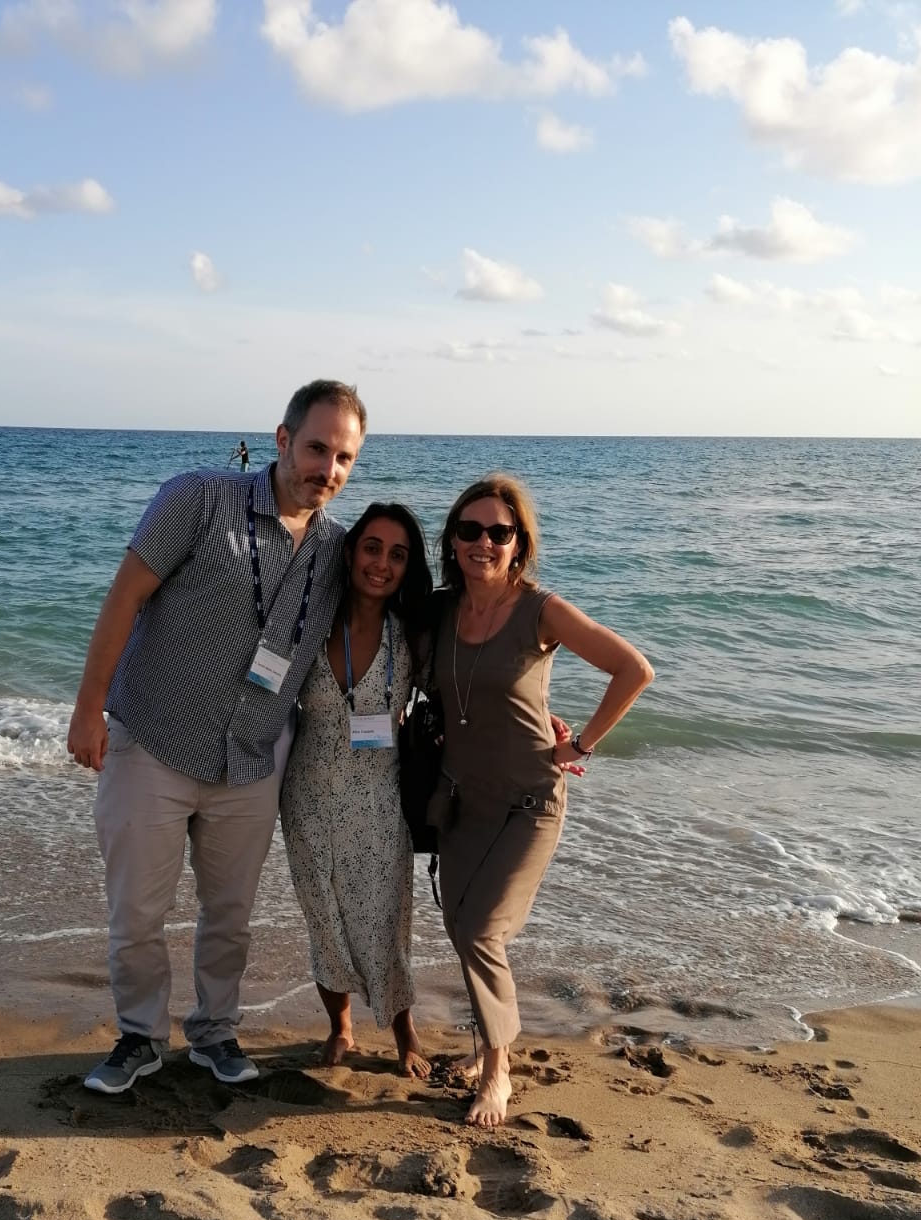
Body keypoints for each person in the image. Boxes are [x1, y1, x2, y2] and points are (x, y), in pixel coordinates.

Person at [67, 380, 367, 1094]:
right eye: (317, 448)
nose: (327, 469)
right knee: (138, 912)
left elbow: (389, 630)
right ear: (282, 440)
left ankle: (214, 1033)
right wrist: (88, 708)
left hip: (254, 759)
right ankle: (140, 1037)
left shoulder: (338, 551)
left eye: (344, 458)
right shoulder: (199, 499)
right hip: (154, 741)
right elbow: (124, 596)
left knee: (230, 915)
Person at [428, 473, 654, 1128]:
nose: (483, 542)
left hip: (529, 802)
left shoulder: (540, 610)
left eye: (499, 532)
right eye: (470, 529)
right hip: (461, 798)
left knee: (480, 929)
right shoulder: (441, 610)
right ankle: (487, 1043)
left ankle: (497, 1071)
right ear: (452, 540)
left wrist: (577, 744)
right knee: (461, 926)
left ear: (519, 544)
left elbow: (633, 669)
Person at [280, 504, 434, 1078]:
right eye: (372, 548)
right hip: (306, 797)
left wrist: (542, 723)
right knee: (324, 919)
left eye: (397, 554)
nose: (381, 564)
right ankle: (339, 1026)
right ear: (349, 553)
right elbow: (261, 681)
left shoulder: (412, 635)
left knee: (385, 921)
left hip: (378, 799)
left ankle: (405, 1032)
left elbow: (464, 690)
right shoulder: (311, 622)